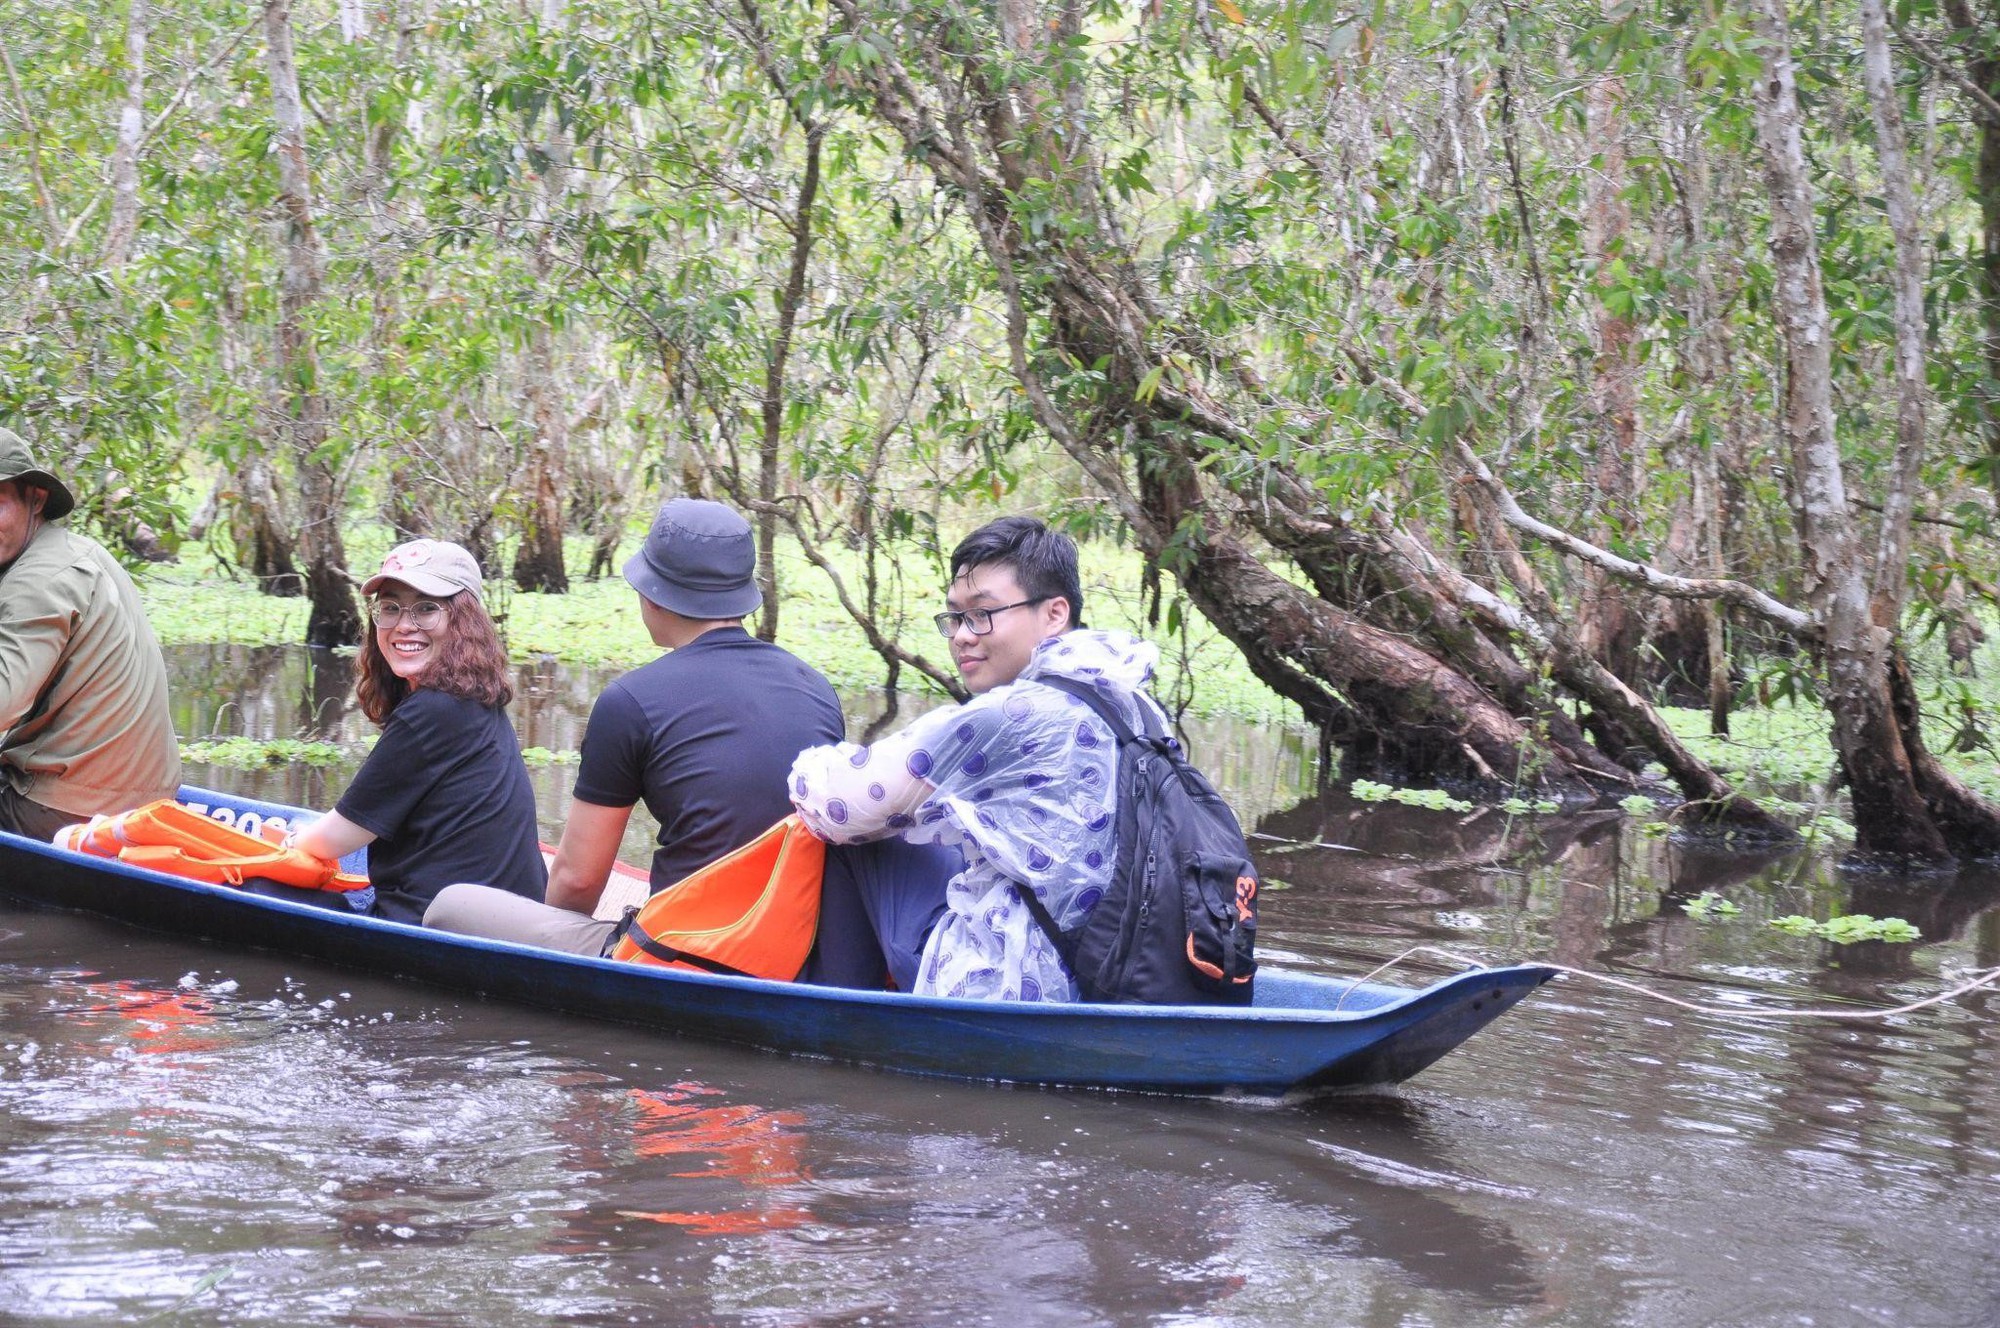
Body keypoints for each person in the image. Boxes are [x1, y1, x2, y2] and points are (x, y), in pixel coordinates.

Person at [424, 499, 848, 963]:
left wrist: (552, 936)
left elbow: (578, 882)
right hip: (799, 951)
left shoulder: (630, 700)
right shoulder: (816, 686)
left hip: (686, 955)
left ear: (650, 593)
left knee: (450, 906)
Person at [787, 515, 1164, 1003]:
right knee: (941, 823)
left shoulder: (1012, 712)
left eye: (982, 614)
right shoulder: (1135, 703)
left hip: (1011, 983)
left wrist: (810, 764)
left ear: (1054, 614)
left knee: (849, 832)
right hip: (1121, 967)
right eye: (955, 617)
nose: (963, 635)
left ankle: (840, 1019)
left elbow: (844, 804)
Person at [273, 539, 547, 924]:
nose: (404, 625)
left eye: (426, 609)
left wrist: (287, 840)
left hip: (441, 926)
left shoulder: (435, 710)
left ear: (463, 621)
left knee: (259, 882)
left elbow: (339, 838)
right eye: (390, 608)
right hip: (498, 917)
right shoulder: (469, 700)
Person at [0, 428, 181, 840]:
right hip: (149, 800)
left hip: (65, 808)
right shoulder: (78, 551)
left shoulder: (37, 581)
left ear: (36, 499)